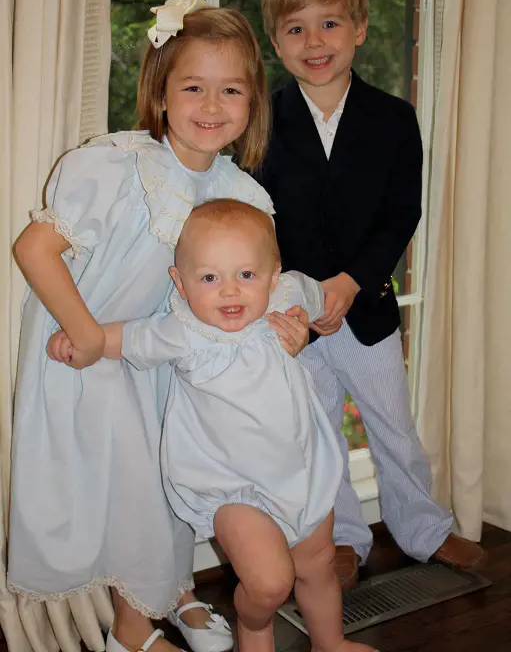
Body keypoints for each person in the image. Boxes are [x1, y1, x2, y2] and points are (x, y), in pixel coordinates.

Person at [8, 0, 308, 652]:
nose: (209, 106)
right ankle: (133, 630)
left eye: (230, 90)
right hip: (89, 349)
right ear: (161, 91)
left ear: (252, 101)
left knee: (169, 484)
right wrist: (87, 336)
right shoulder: (115, 168)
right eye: (192, 87)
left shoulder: (239, 193)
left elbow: (264, 279)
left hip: (169, 357)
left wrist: (290, 322)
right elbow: (35, 249)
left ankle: (168, 594)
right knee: (133, 490)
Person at [53, 198, 379, 652]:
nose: (230, 291)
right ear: (181, 284)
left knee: (318, 566)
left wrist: (311, 324)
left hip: (301, 471)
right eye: (210, 278)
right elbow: (123, 338)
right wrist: (78, 340)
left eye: (246, 275)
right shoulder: (183, 331)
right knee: (269, 583)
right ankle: (255, 625)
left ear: (273, 271)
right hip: (232, 488)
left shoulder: (284, 296)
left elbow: (320, 297)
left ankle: (331, 641)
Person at [255, 0, 487, 589]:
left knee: (394, 428)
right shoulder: (260, 120)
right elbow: (253, 219)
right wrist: (287, 293)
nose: (315, 42)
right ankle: (345, 540)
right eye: (296, 29)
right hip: (295, 319)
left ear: (358, 28)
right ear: (276, 42)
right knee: (319, 438)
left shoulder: (393, 118)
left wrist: (351, 281)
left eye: (330, 24)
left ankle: (425, 530)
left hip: (368, 312)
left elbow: (399, 214)